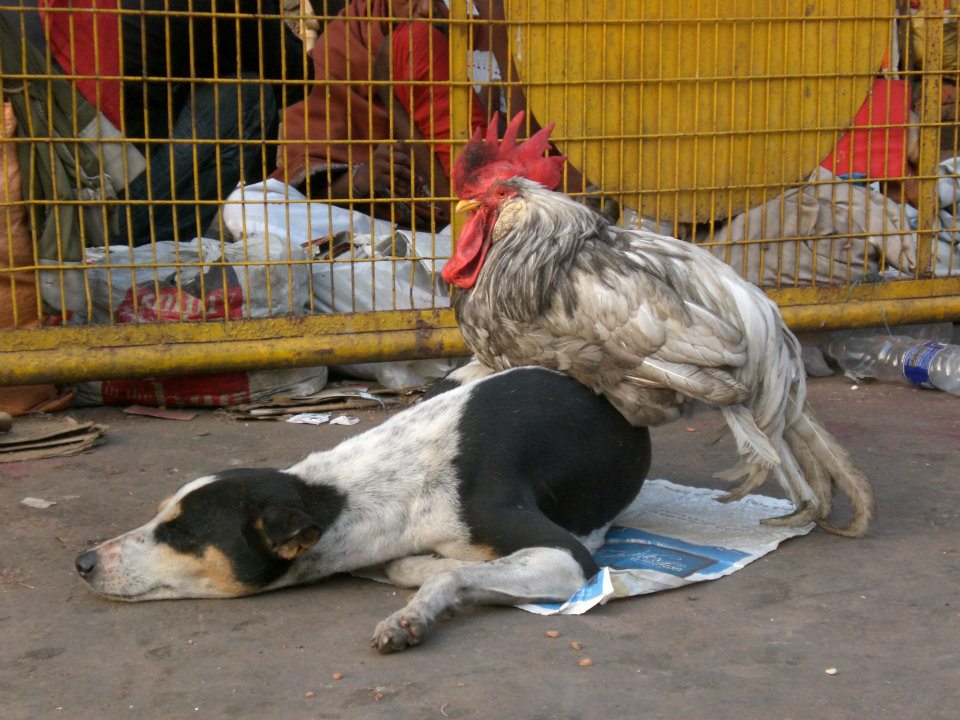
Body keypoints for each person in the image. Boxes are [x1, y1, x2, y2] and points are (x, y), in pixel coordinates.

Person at [40, 0, 319, 245]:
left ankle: (157, 248)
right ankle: (159, 250)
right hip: (100, 210)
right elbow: (294, 77)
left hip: (61, 199)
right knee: (246, 95)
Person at [274, 0, 490, 230]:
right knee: (248, 204)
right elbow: (307, 184)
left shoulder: (481, 38)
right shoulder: (347, 41)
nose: (427, 9)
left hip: (463, 217)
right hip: (368, 224)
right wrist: (364, 177)